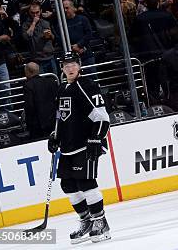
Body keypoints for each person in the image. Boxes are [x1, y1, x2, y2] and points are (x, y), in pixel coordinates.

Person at [47, 52, 111, 243]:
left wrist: (95, 139)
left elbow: (102, 116)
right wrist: (54, 136)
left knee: (86, 183)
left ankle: (101, 223)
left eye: (73, 64)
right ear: (62, 68)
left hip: (86, 144)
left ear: (79, 65)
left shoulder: (87, 86)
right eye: (66, 65)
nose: (70, 68)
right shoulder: (61, 89)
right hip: (67, 146)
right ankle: (87, 221)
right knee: (68, 185)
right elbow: (61, 117)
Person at [22, 61, 57, 139]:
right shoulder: (50, 82)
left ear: (28, 72)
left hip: (37, 125)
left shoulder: (28, 85)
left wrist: (29, 124)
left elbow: (29, 106)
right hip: (53, 120)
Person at [21, 2, 57, 74]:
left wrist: (50, 35)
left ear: (40, 11)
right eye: (32, 13)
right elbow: (26, 37)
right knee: (42, 81)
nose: (35, 15)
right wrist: (34, 23)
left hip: (50, 57)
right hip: (37, 60)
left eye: (37, 12)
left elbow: (54, 38)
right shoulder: (26, 24)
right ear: (29, 12)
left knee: (55, 79)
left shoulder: (46, 22)